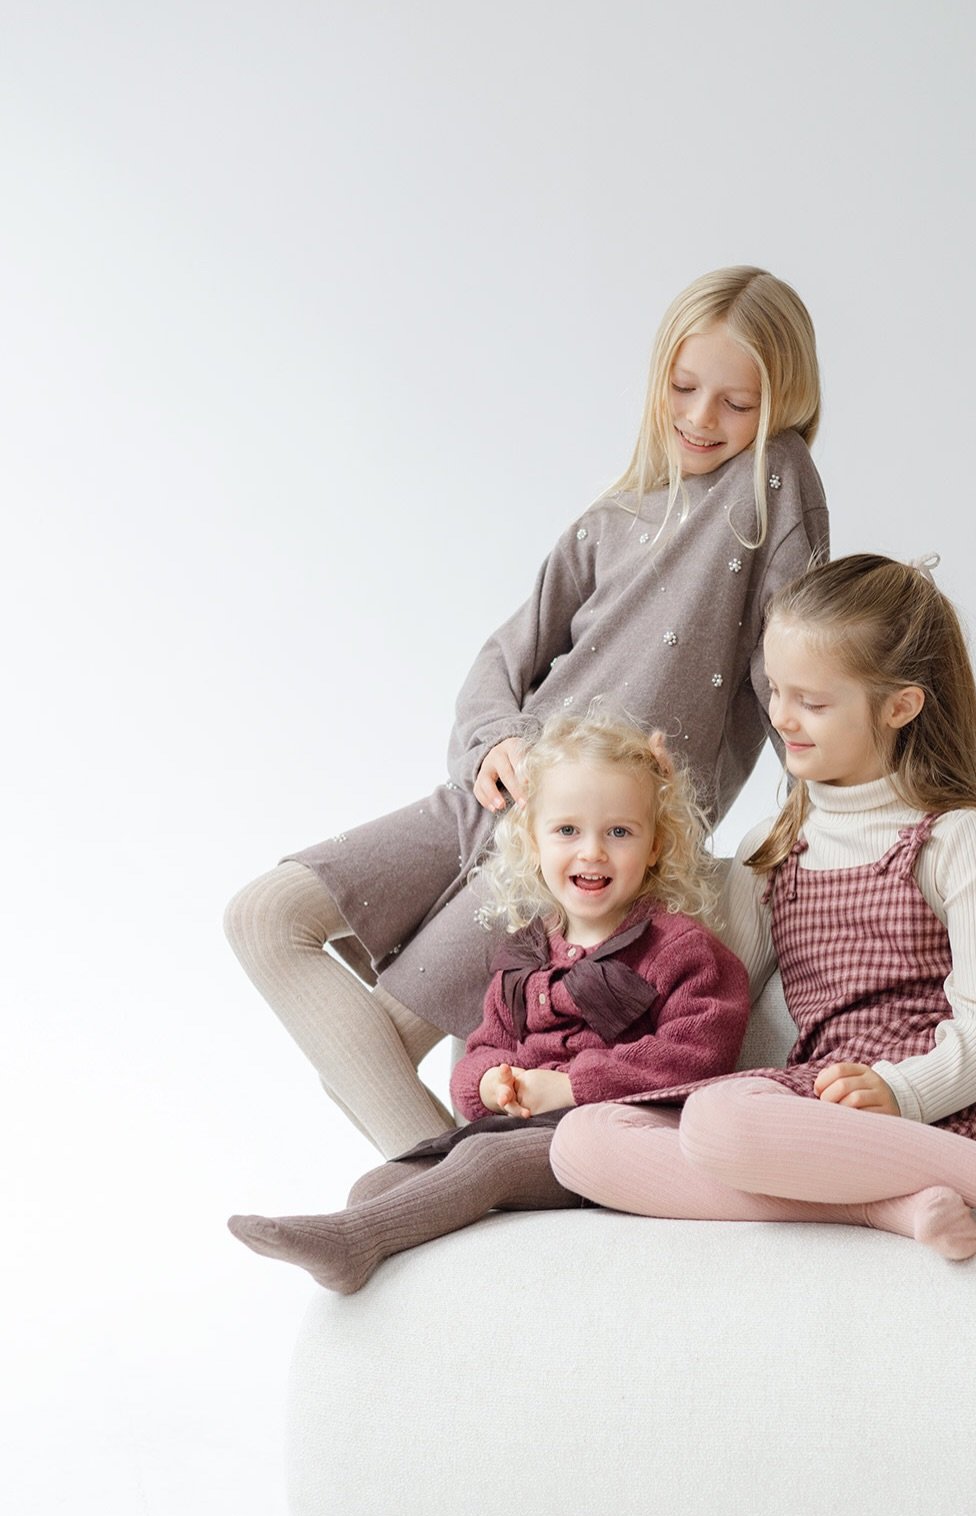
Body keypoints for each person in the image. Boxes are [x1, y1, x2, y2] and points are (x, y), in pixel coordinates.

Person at [223, 266, 825, 1159]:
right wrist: (492, 741)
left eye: (737, 402)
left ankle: (455, 1198)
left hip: (581, 836)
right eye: (684, 387)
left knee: (376, 1044)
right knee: (265, 915)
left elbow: (796, 667)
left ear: (781, 408)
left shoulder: (770, 482)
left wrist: (823, 810)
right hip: (498, 793)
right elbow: (502, 662)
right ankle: (456, 1190)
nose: (702, 419)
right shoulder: (609, 518)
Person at [550, 556, 976, 1309]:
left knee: (721, 1121)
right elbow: (710, 999)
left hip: (932, 1110)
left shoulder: (953, 838)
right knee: (581, 1141)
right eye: (775, 691)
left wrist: (899, 1091)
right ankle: (883, 1209)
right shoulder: (774, 843)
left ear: (900, 706)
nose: (781, 718)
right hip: (817, 1106)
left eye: (810, 701)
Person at [227, 712, 750, 1292]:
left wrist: (575, 1087)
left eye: (619, 833)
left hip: (609, 1140)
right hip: (522, 1133)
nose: (592, 852)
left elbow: (699, 1055)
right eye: (568, 831)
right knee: (382, 1184)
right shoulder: (526, 951)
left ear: (655, 845)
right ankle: (389, 1263)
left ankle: (358, 1242)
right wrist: (488, 1084)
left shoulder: (680, 948)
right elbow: (483, 1048)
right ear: (533, 841)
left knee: (484, 1164)